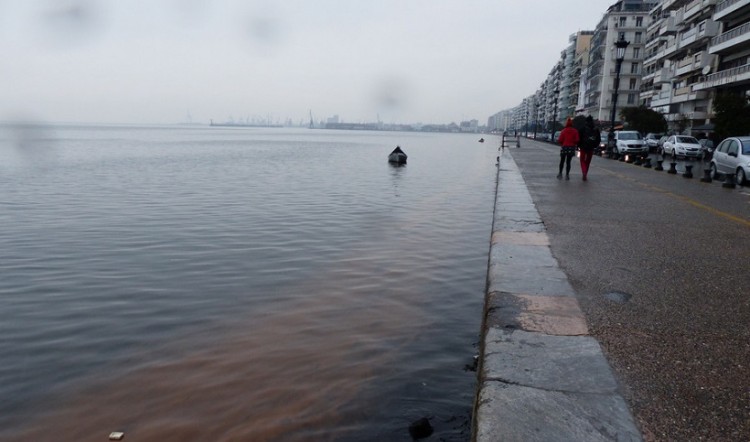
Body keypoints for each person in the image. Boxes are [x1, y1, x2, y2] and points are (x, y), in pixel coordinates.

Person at [578, 116, 600, 181]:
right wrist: (595, 145)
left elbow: (579, 138)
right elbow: (598, 139)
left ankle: (584, 172)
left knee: (582, 160)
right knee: (588, 161)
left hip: (583, 147)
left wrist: (579, 145)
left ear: (586, 121)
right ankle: (586, 173)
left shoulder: (583, 128)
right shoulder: (596, 129)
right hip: (591, 147)